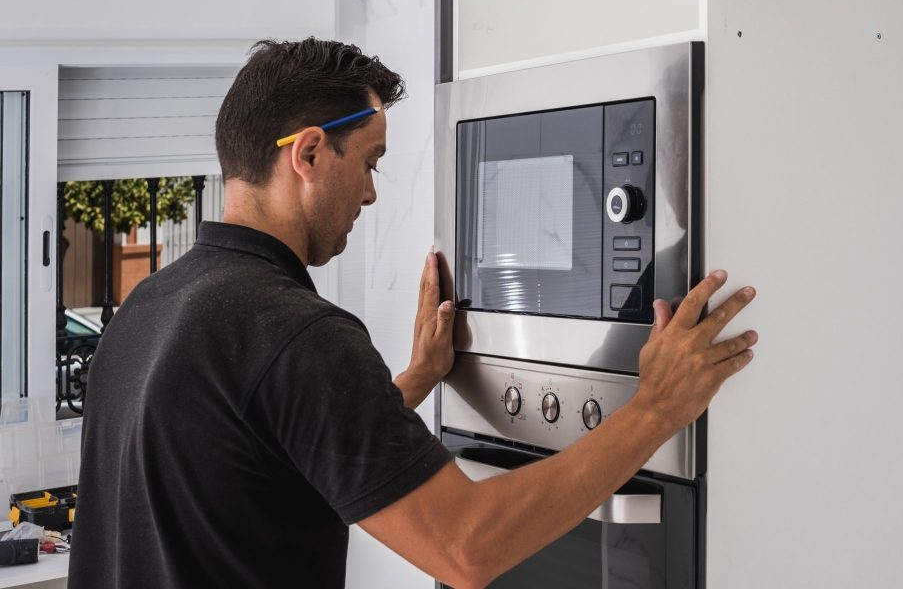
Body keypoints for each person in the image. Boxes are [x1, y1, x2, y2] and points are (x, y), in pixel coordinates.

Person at [68, 38, 758, 589]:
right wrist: (656, 408)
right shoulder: (297, 334)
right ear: (308, 153)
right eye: (370, 162)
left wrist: (416, 380)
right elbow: (466, 550)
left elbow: (270, 447)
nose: (372, 193)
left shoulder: (149, 307)